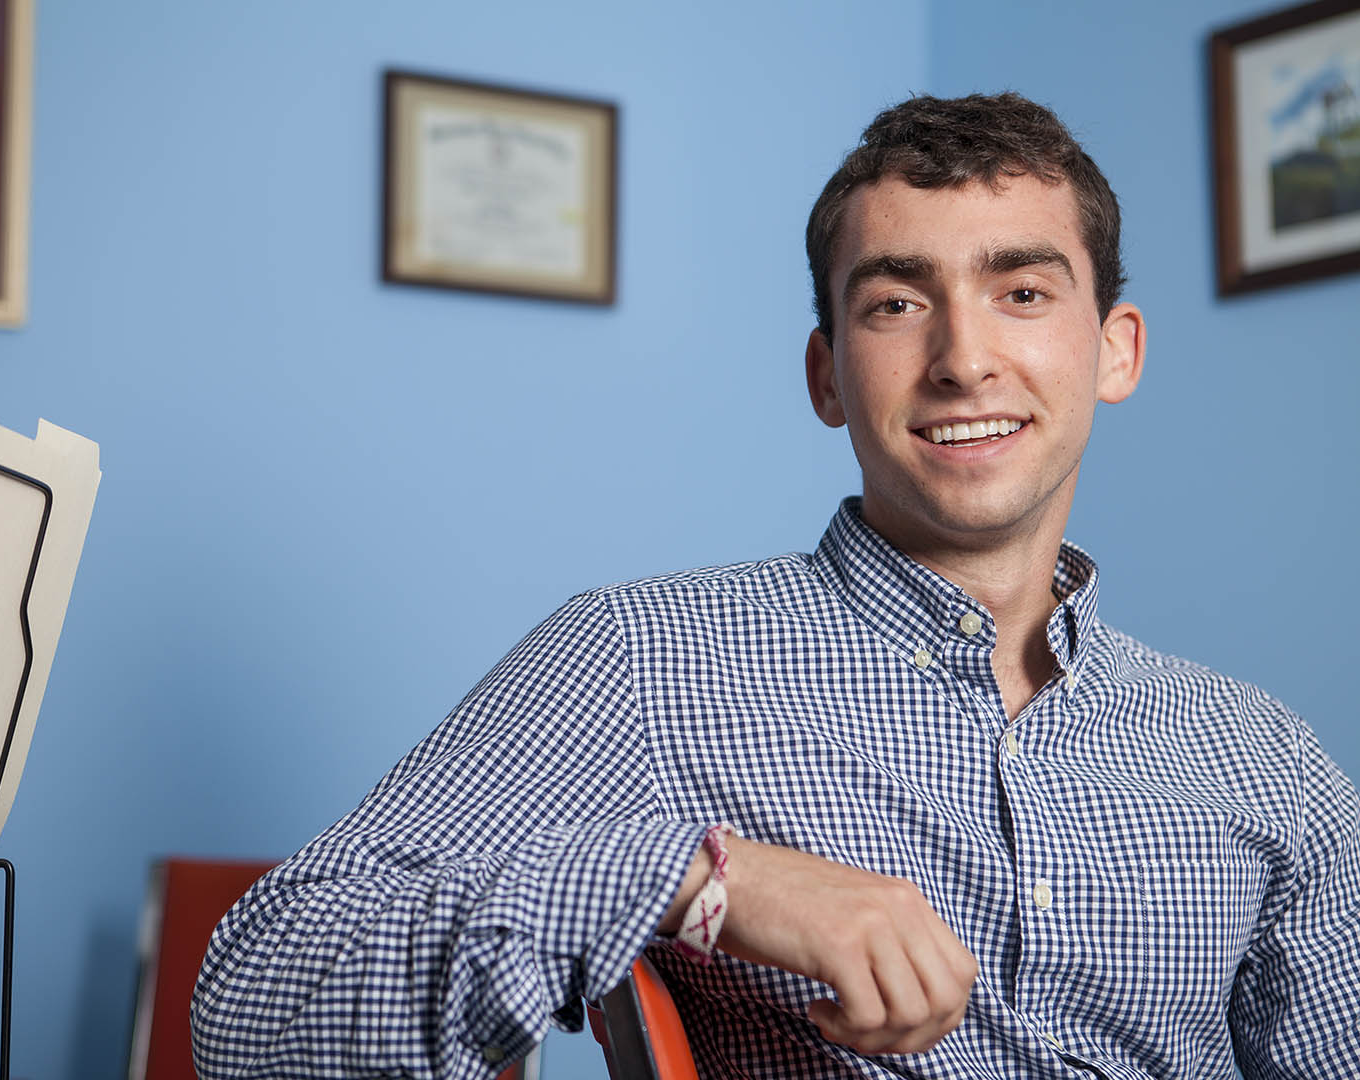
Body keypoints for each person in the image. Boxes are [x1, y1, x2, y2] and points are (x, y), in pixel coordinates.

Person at [190, 92, 1360, 1079]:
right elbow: (253, 1006)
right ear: (828, 375)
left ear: (1116, 350)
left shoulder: (1267, 763)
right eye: (897, 303)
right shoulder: (640, 661)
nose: (961, 358)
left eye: (1022, 291)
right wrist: (699, 881)